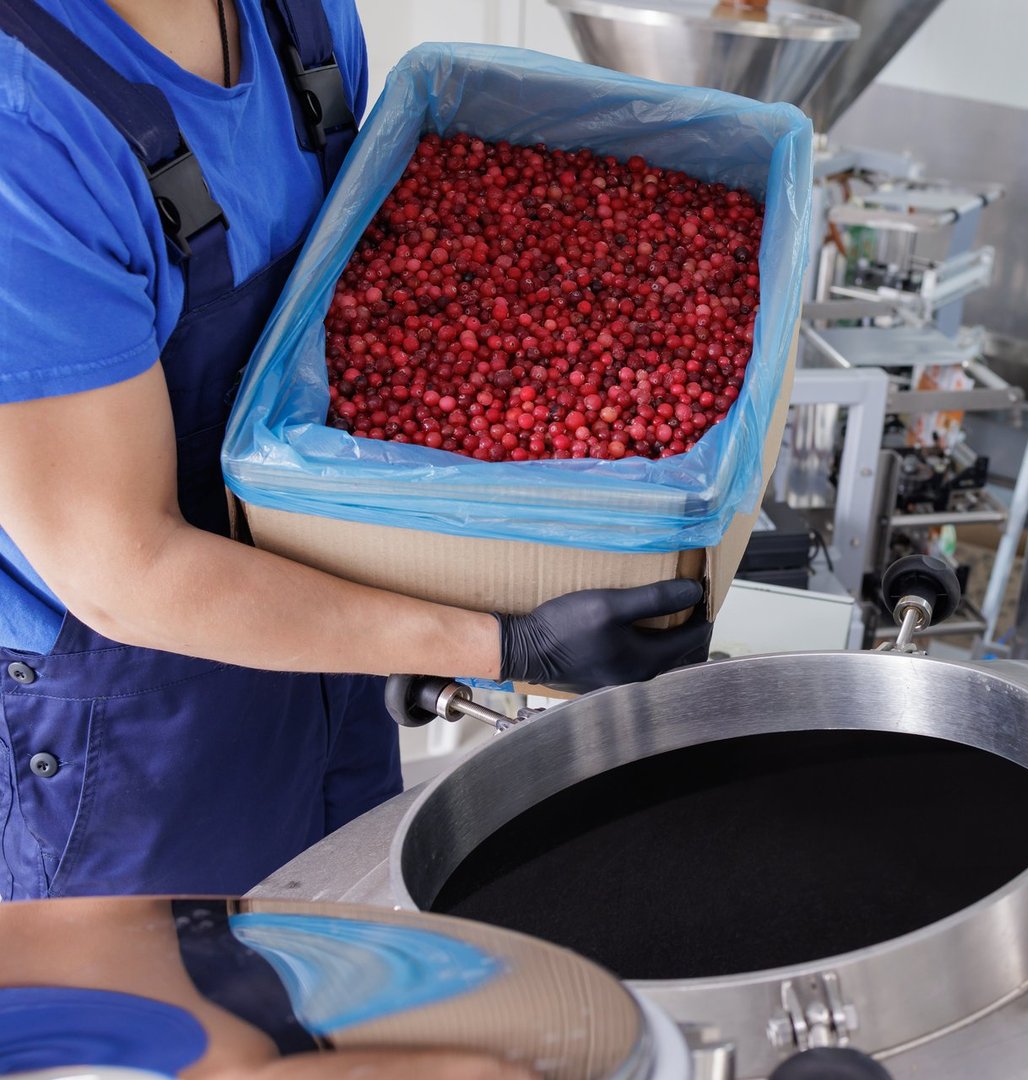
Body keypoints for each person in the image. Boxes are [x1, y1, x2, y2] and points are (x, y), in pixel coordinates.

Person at [0, 0, 711, 901]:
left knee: (334, 989)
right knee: (175, 1031)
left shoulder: (300, 20)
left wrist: (461, 576)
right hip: (130, 733)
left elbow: (367, 332)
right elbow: (123, 573)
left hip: (323, 660)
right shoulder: (26, 129)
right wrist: (501, 639)